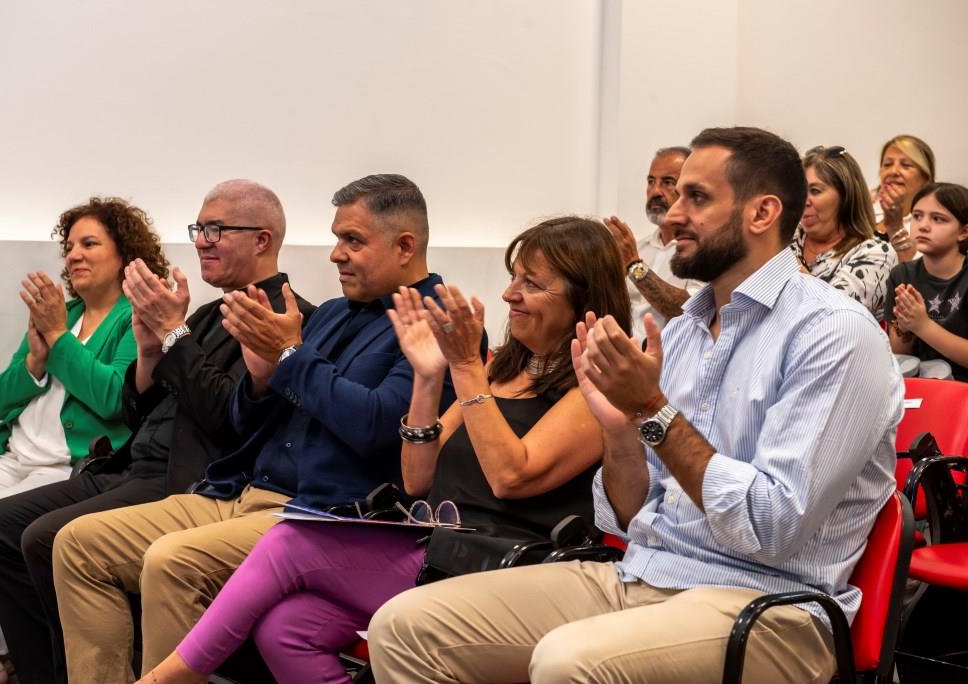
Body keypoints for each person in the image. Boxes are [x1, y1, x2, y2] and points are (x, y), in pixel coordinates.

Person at [368, 127, 902, 684]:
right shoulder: (688, 330)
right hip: (646, 573)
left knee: (569, 662)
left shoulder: (833, 334)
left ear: (763, 212)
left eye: (696, 197)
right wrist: (621, 431)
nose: (671, 216)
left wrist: (651, 409)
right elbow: (627, 514)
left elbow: (770, 528)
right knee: (405, 628)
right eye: (675, 197)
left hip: (770, 608)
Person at [136, 215, 631, 684]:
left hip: (510, 569)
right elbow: (417, 476)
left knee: (290, 542)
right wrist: (427, 376)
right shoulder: (501, 369)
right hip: (441, 548)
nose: (509, 293)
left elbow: (510, 475)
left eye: (531, 283)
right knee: (288, 627)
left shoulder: (596, 384)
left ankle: (171, 675)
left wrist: (465, 371)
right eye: (513, 277)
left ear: (582, 296)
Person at [50, 174, 457, 682]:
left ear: (404, 246)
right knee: (77, 544)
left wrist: (289, 355)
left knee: (171, 561)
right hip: (239, 489)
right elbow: (243, 424)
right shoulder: (330, 314)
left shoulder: (440, 321)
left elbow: (376, 427)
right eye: (336, 238)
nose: (335, 254)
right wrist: (261, 382)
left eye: (352, 240)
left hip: (323, 517)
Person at [0, 180, 313, 684]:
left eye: (215, 229)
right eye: (198, 229)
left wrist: (173, 333)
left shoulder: (286, 317)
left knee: (45, 538)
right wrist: (151, 350)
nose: (201, 241)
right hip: (130, 462)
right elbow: (137, 407)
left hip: (187, 478)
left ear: (262, 239)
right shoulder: (207, 313)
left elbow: (230, 420)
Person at [0, 198, 168, 684]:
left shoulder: (133, 317)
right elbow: (0, 400)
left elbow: (115, 397)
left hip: (71, 466)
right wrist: (35, 362)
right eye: (69, 247)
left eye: (89, 244)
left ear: (125, 254)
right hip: (15, 454)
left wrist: (57, 338)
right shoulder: (59, 312)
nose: (73, 256)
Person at [605, 146, 702, 340]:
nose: (655, 191)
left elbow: (688, 310)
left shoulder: (702, 251)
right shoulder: (639, 248)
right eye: (651, 181)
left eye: (668, 182)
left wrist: (634, 266)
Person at [792, 146, 897, 319]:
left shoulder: (876, 253)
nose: (804, 201)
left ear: (846, 196)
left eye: (815, 191)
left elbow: (831, 317)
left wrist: (783, 261)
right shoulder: (788, 238)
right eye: (800, 191)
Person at [886, 182, 968, 382]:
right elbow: (898, 355)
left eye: (938, 219)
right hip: (920, 386)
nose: (923, 225)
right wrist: (906, 327)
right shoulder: (902, 275)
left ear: (963, 232)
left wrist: (922, 326)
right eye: (917, 216)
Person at [872, 134, 936, 263]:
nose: (893, 171)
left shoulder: (936, 221)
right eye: (887, 164)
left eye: (906, 165)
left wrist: (895, 228)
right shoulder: (864, 207)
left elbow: (924, 275)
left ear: (926, 177)